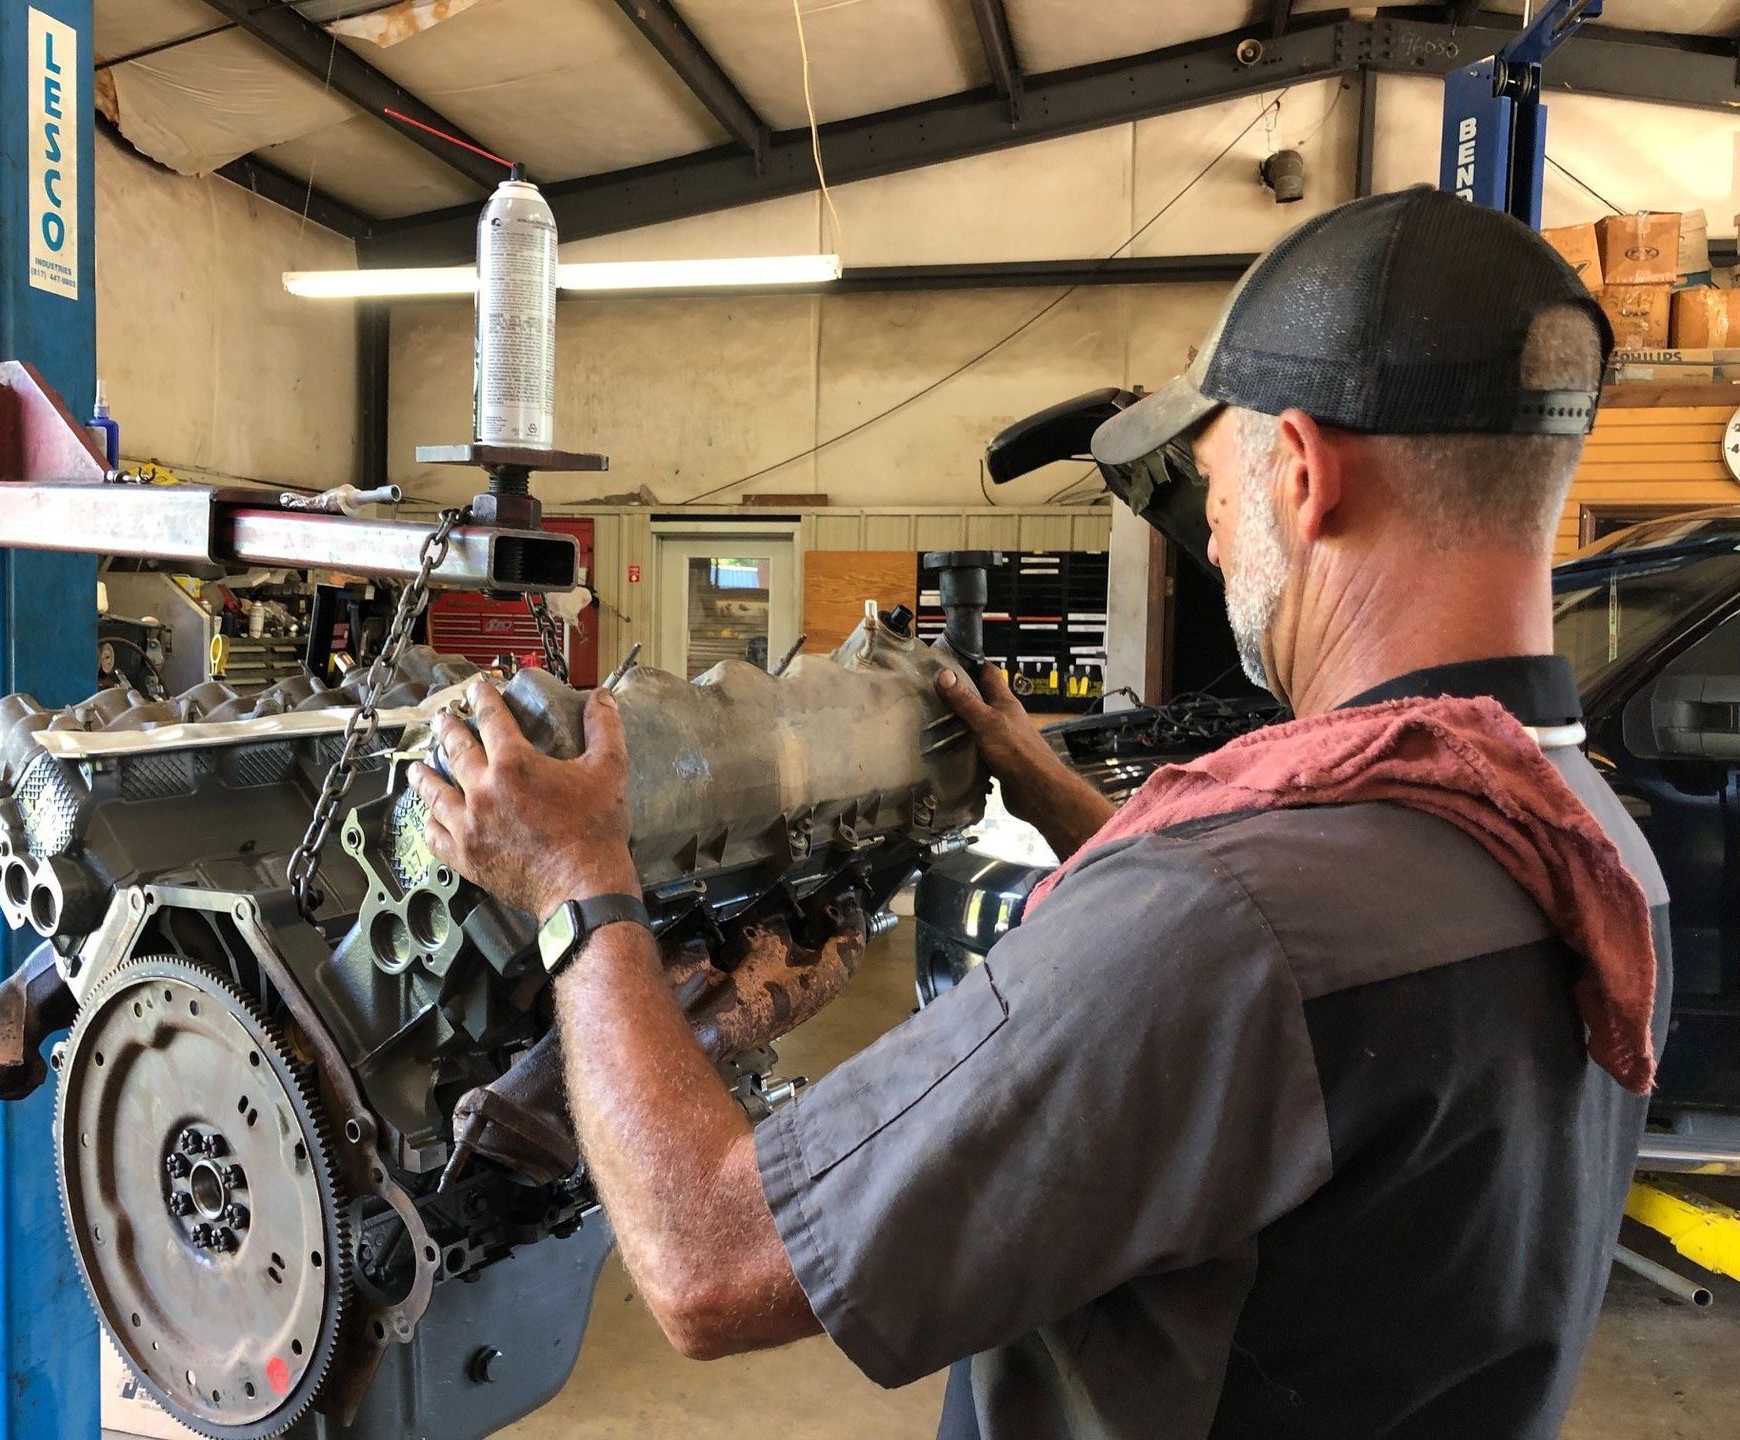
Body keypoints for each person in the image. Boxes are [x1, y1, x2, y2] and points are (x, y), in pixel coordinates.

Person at [407, 187, 1672, 1440]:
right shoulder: (1586, 842)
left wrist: (578, 884)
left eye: (1219, 485)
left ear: (1303, 472)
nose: (1218, 539)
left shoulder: (1222, 928)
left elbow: (709, 1256)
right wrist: (1037, 778)